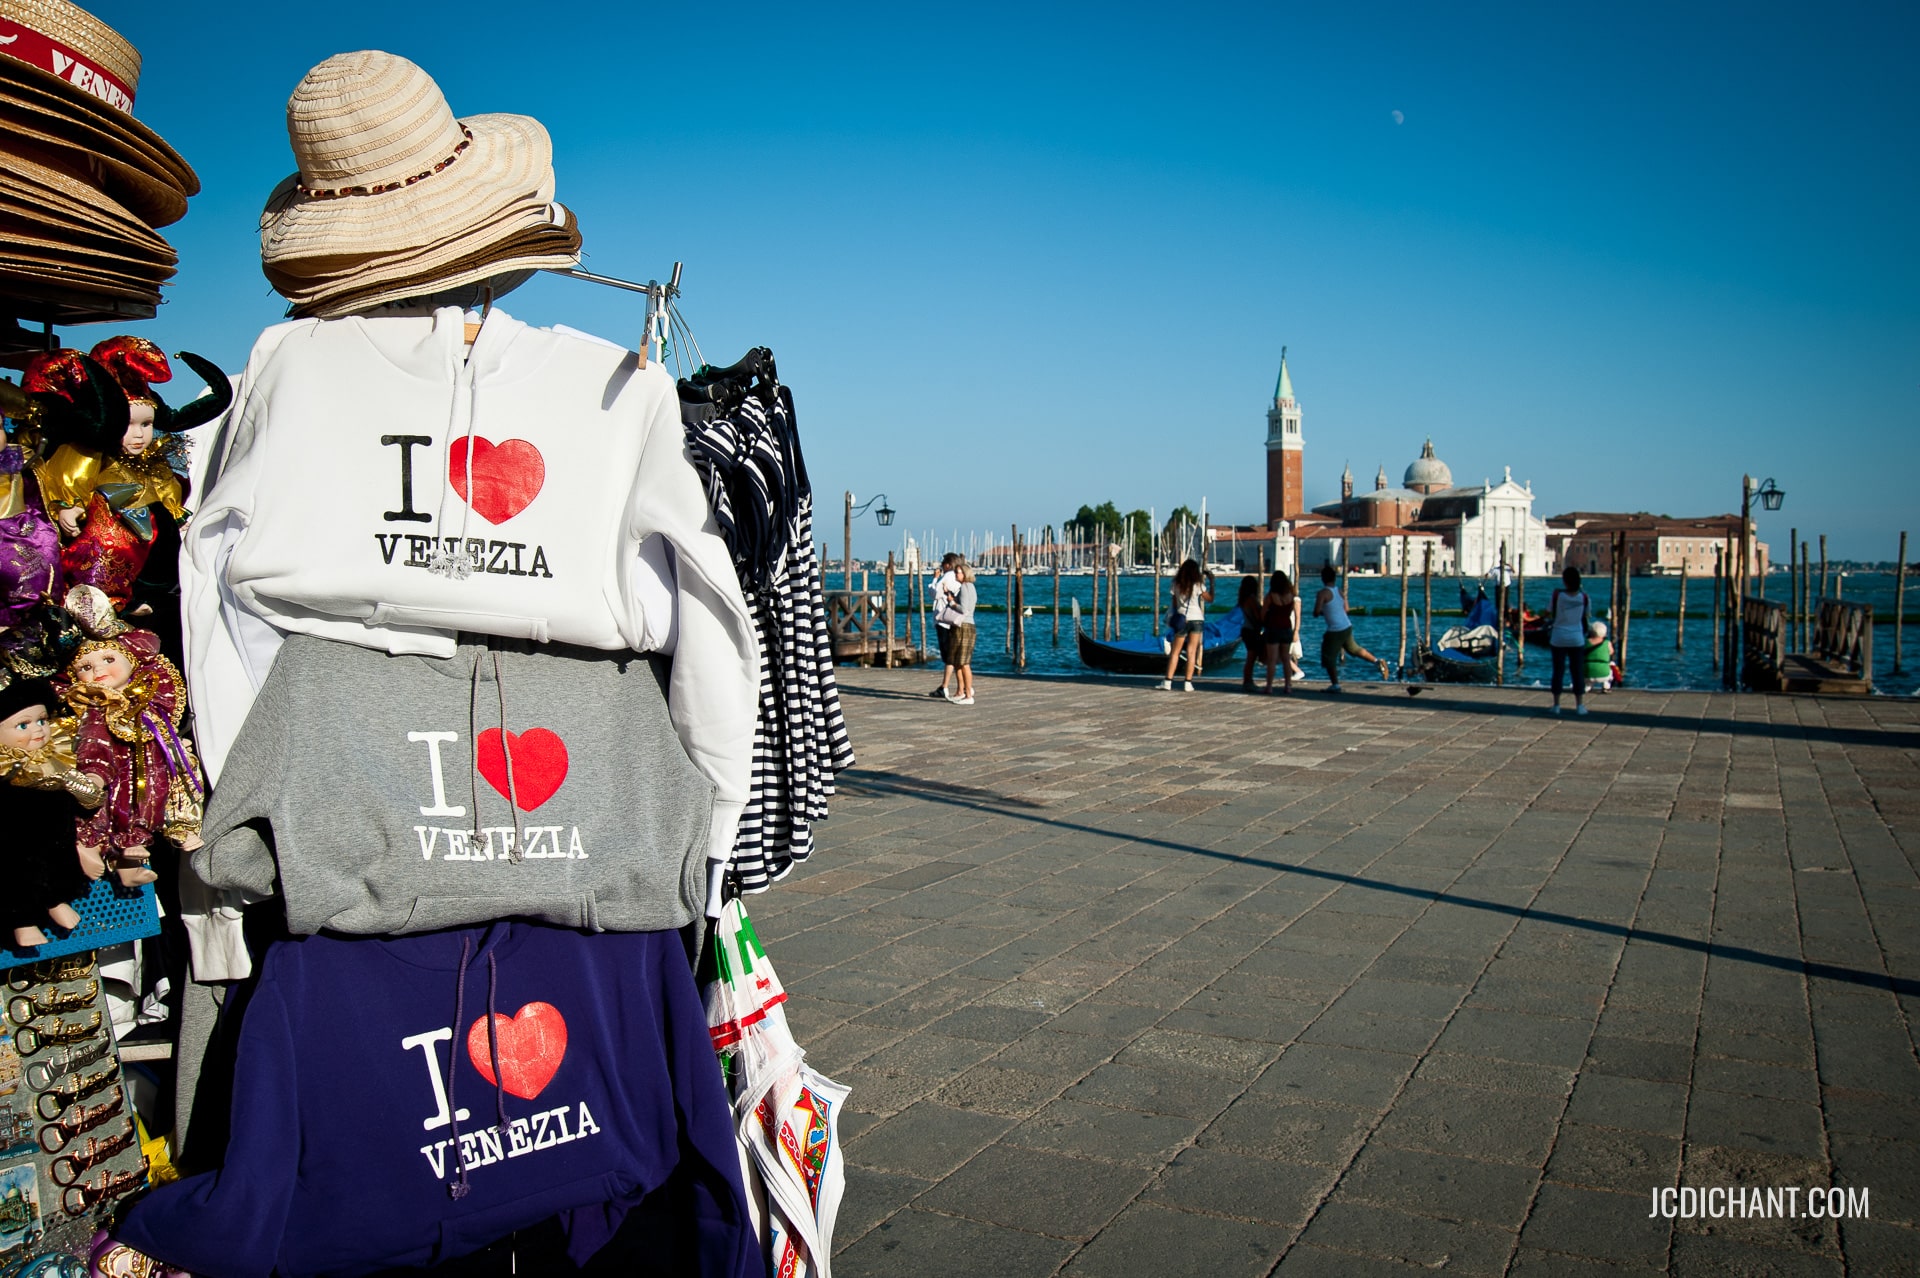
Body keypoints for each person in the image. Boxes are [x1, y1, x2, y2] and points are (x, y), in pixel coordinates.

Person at [1313, 563, 1388, 692]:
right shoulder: (1339, 591)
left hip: (1335, 630)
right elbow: (1346, 609)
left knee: (1328, 656)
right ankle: (1377, 661)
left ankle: (1335, 684)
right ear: (1334, 578)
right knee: (1354, 649)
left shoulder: (1322, 593)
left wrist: (1323, 612)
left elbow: (1316, 612)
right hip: (1346, 626)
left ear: (1322, 578)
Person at [1158, 560, 1212, 691]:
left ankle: (1168, 681)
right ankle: (1188, 682)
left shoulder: (1176, 584)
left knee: (1175, 652)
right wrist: (1212, 583)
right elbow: (1210, 599)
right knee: (1192, 652)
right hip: (1197, 619)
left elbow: (1174, 604)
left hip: (1182, 619)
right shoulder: (1198, 585)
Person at [1547, 565, 1593, 715]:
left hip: (1558, 637)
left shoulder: (1557, 595)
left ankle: (1556, 705)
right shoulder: (1584, 597)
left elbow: (1549, 612)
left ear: (1564, 581)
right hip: (1576, 638)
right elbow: (1586, 616)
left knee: (1558, 671)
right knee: (1577, 671)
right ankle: (1580, 705)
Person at [1262, 570, 1301, 695]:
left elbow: (1263, 614)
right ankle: (1288, 686)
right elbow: (1297, 617)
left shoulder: (1270, 596)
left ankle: (1269, 686)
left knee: (1272, 660)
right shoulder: (1291, 597)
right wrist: (1296, 632)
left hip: (1273, 628)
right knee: (1286, 659)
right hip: (1286, 628)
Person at [929, 553, 961, 699]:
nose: (941, 565)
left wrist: (934, 579)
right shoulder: (957, 577)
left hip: (943, 619)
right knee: (953, 654)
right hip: (953, 619)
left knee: (948, 655)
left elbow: (935, 594)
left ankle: (947, 687)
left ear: (948, 564)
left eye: (943, 563)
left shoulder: (947, 576)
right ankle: (961, 686)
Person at [948, 562, 978, 705]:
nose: (956, 575)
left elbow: (964, 609)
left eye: (958, 572)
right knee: (958, 661)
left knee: (964, 662)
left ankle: (968, 694)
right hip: (964, 625)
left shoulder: (966, 587)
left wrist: (952, 603)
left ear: (965, 574)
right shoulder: (969, 588)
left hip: (964, 625)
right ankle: (961, 691)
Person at [1236, 575, 1264, 691]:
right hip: (1252, 630)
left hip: (1246, 629)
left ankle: (1248, 680)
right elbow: (1258, 616)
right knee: (1251, 657)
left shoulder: (1243, 599)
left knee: (1250, 657)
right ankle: (1248, 681)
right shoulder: (1252, 599)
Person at [1583, 619, 1614, 694]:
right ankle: (1606, 686)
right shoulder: (1607, 643)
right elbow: (1611, 652)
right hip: (1603, 674)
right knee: (1612, 664)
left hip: (1586, 673)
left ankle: (1587, 686)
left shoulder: (1584, 642)